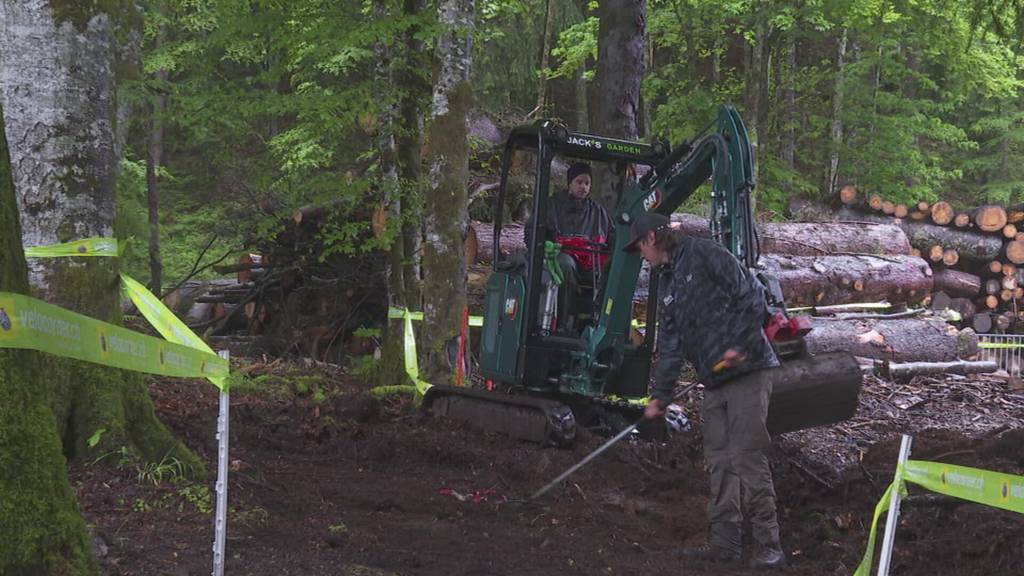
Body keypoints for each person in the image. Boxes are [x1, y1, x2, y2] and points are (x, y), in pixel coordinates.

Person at [624, 211, 786, 569]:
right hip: (714, 382)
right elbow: (670, 345)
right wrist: (660, 397)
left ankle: (769, 545)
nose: (640, 256)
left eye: (638, 248)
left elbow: (752, 293)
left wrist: (740, 345)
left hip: (748, 370)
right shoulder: (667, 283)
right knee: (719, 460)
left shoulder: (705, 253)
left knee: (747, 456)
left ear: (651, 238)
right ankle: (724, 544)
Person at [526, 162, 614, 332]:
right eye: (579, 182)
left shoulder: (598, 212)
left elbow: (613, 237)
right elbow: (531, 232)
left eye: (587, 183)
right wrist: (544, 247)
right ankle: (563, 323)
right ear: (569, 183)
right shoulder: (551, 206)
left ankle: (602, 323)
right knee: (565, 264)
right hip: (559, 256)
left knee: (611, 270)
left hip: (590, 260)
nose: (583, 187)